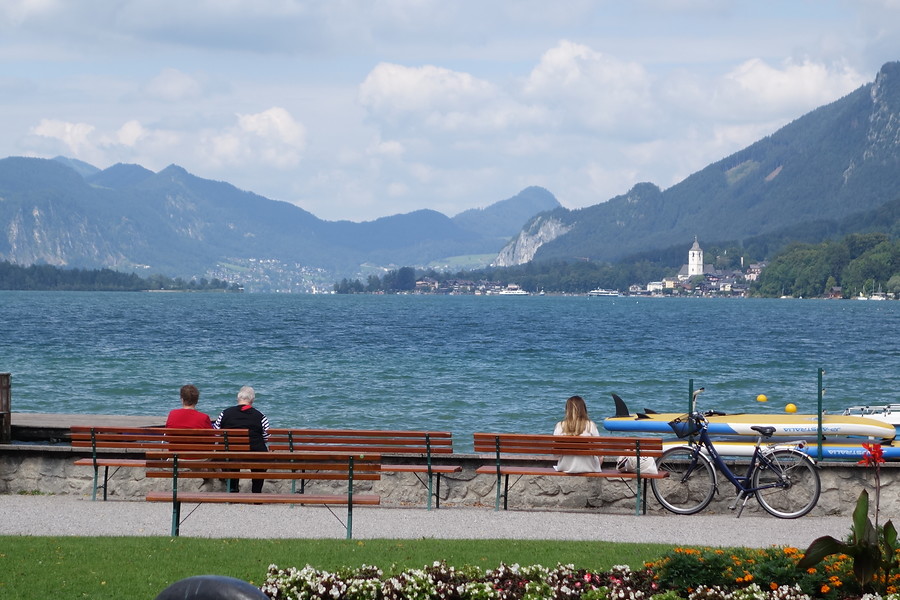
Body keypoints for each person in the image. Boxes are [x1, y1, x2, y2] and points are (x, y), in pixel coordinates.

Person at [213, 386, 269, 493]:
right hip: (255, 455)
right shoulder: (260, 416)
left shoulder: (225, 413)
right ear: (252, 400)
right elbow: (266, 437)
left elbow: (216, 432)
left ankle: (233, 489)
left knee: (232, 457)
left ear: (238, 399)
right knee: (261, 457)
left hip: (230, 455)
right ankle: (256, 492)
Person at [553, 395, 603, 473]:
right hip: (589, 467)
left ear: (567, 410)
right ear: (584, 409)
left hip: (565, 467)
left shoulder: (560, 426)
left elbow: (556, 455)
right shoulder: (590, 425)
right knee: (601, 457)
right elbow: (599, 451)